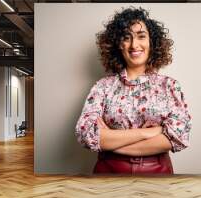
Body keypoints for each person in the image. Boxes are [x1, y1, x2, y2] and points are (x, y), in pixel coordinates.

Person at [75, 7, 192, 174]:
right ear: (118, 44)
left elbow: (179, 136)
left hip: (158, 174)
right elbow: (86, 134)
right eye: (126, 37)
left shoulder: (170, 86)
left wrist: (111, 141)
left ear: (152, 42)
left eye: (141, 36)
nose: (134, 45)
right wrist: (149, 133)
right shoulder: (102, 86)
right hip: (108, 174)